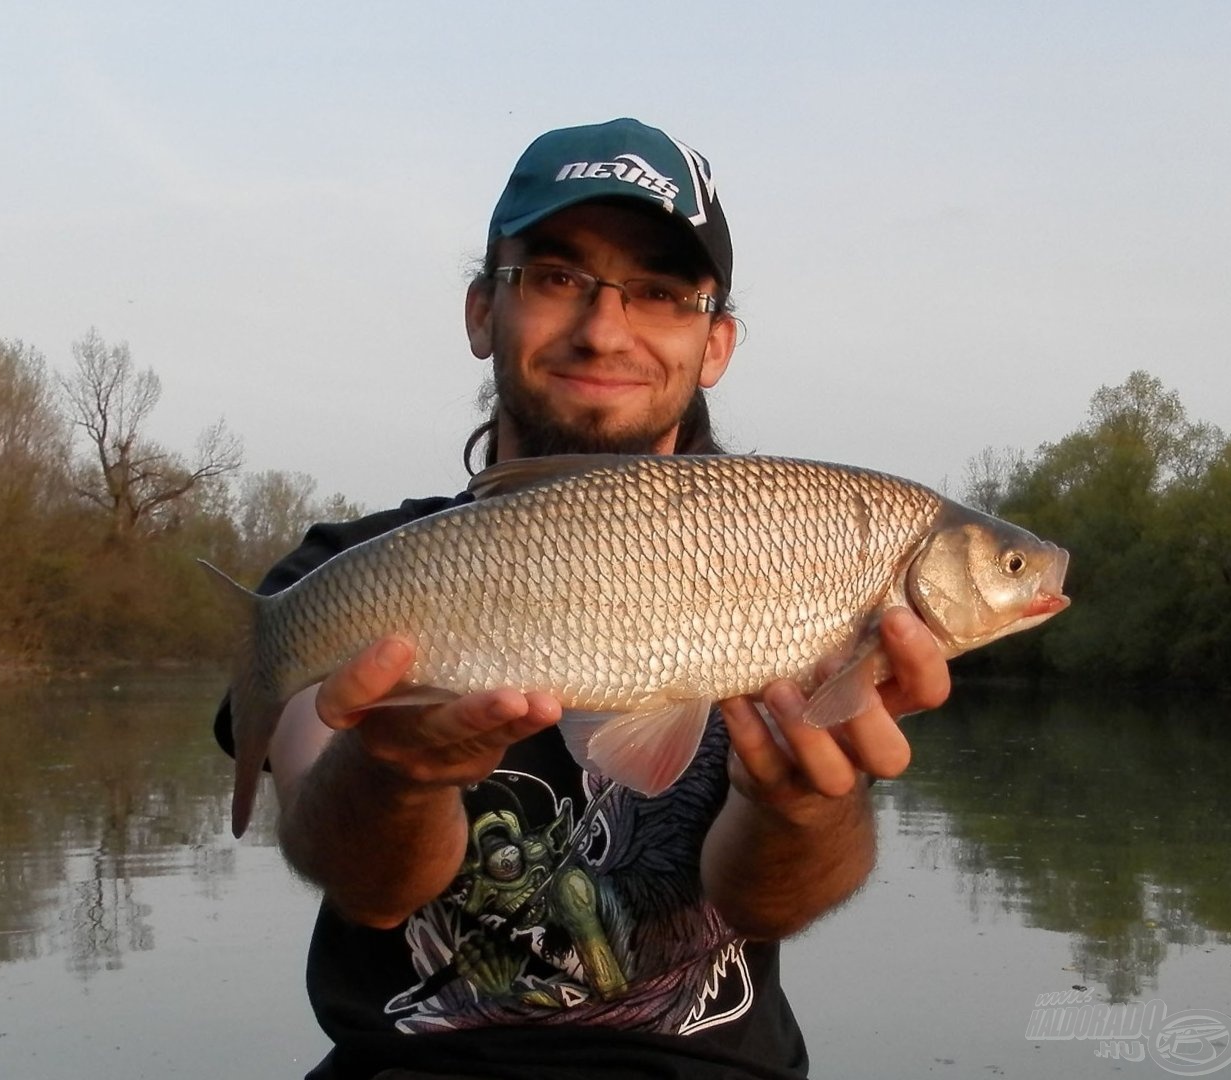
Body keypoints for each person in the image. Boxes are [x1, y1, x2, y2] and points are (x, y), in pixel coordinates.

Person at [214, 118, 950, 1079]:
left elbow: (770, 908)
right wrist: (396, 775)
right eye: (557, 278)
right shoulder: (347, 571)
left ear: (715, 342)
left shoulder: (790, 556)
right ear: (483, 311)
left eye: (658, 292)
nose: (606, 329)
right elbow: (367, 886)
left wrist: (806, 810)